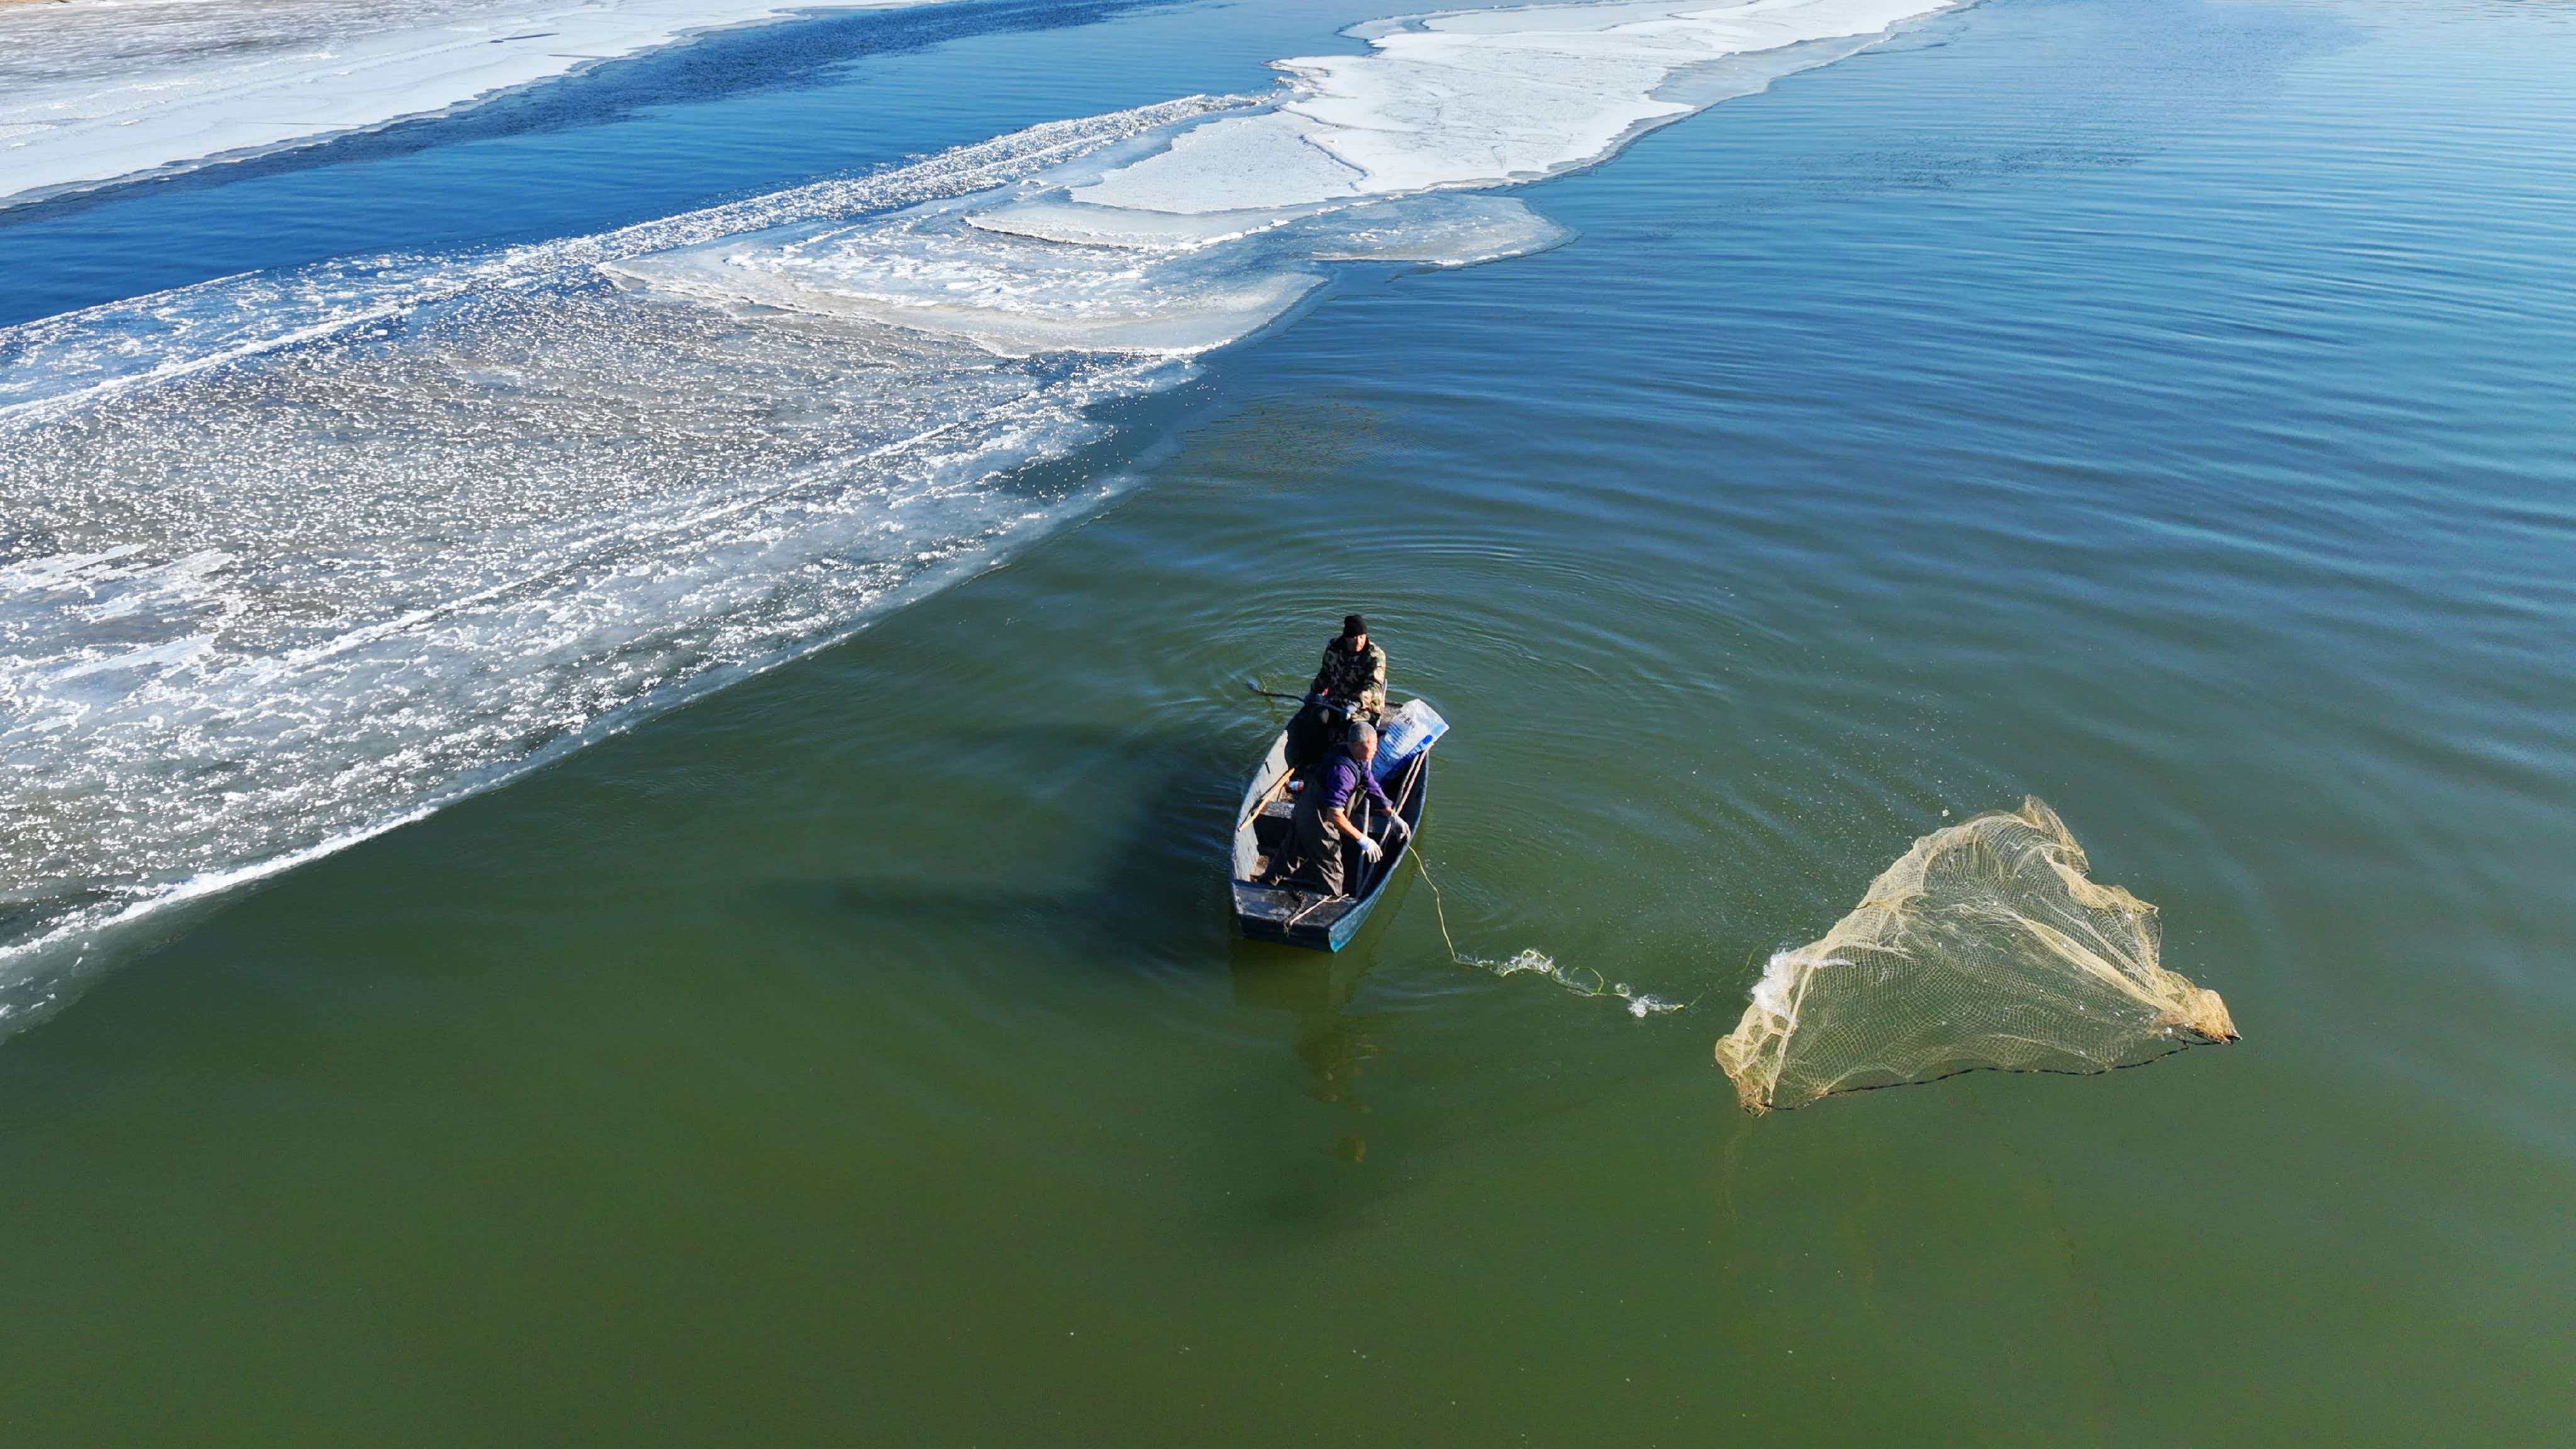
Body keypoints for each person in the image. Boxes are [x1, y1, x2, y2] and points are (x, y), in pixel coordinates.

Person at [1289, 719, 1407, 897]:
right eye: (1372, 745)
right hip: (1318, 818)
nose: (1376, 749)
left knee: (1291, 852)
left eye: (1376, 744)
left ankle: (1266, 881)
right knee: (1333, 870)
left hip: (1305, 807)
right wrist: (1363, 839)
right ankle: (1329, 908)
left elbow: (1371, 784)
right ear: (1356, 745)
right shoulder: (1342, 773)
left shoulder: (1358, 757)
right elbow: (1334, 815)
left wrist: (1391, 815)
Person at [1308, 613, 1388, 724]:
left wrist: (1355, 704)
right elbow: (1326, 674)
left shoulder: (1375, 655)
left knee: (1355, 729)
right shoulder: (1334, 648)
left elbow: (1374, 685)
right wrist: (1314, 691)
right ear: (1346, 637)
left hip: (1364, 707)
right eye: (1354, 638)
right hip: (1336, 701)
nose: (1358, 642)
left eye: (1362, 637)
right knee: (1318, 718)